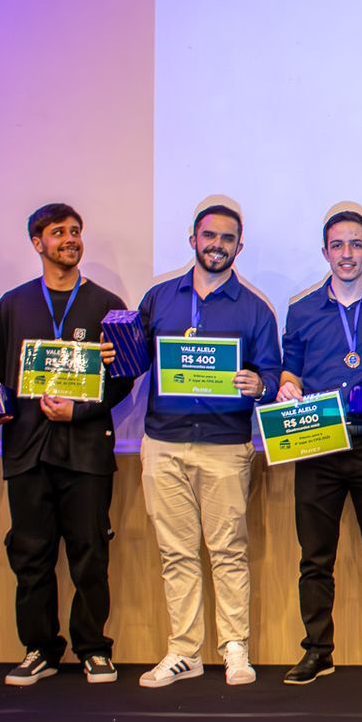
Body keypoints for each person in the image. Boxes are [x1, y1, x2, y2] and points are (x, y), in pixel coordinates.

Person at [0, 203, 134, 687]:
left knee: (90, 552)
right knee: (31, 554)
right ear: (37, 243)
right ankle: (39, 648)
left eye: (76, 231)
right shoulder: (12, 304)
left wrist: (78, 409)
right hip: (27, 451)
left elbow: (125, 379)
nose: (69, 238)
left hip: (86, 450)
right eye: (58, 232)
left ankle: (93, 648)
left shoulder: (109, 304)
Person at [133, 200, 281, 689]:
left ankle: (235, 648)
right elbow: (131, 364)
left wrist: (257, 385)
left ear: (240, 246)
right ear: (192, 239)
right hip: (163, 441)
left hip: (225, 443)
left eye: (227, 238)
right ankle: (183, 651)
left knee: (228, 550)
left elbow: (270, 374)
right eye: (209, 236)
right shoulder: (158, 299)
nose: (217, 245)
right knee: (176, 552)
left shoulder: (256, 308)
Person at [278, 208, 362, 686]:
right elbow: (290, 369)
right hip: (318, 443)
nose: (347, 254)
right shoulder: (301, 310)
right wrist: (287, 387)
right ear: (325, 252)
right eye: (338, 245)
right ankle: (317, 651)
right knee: (315, 558)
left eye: (356, 245)